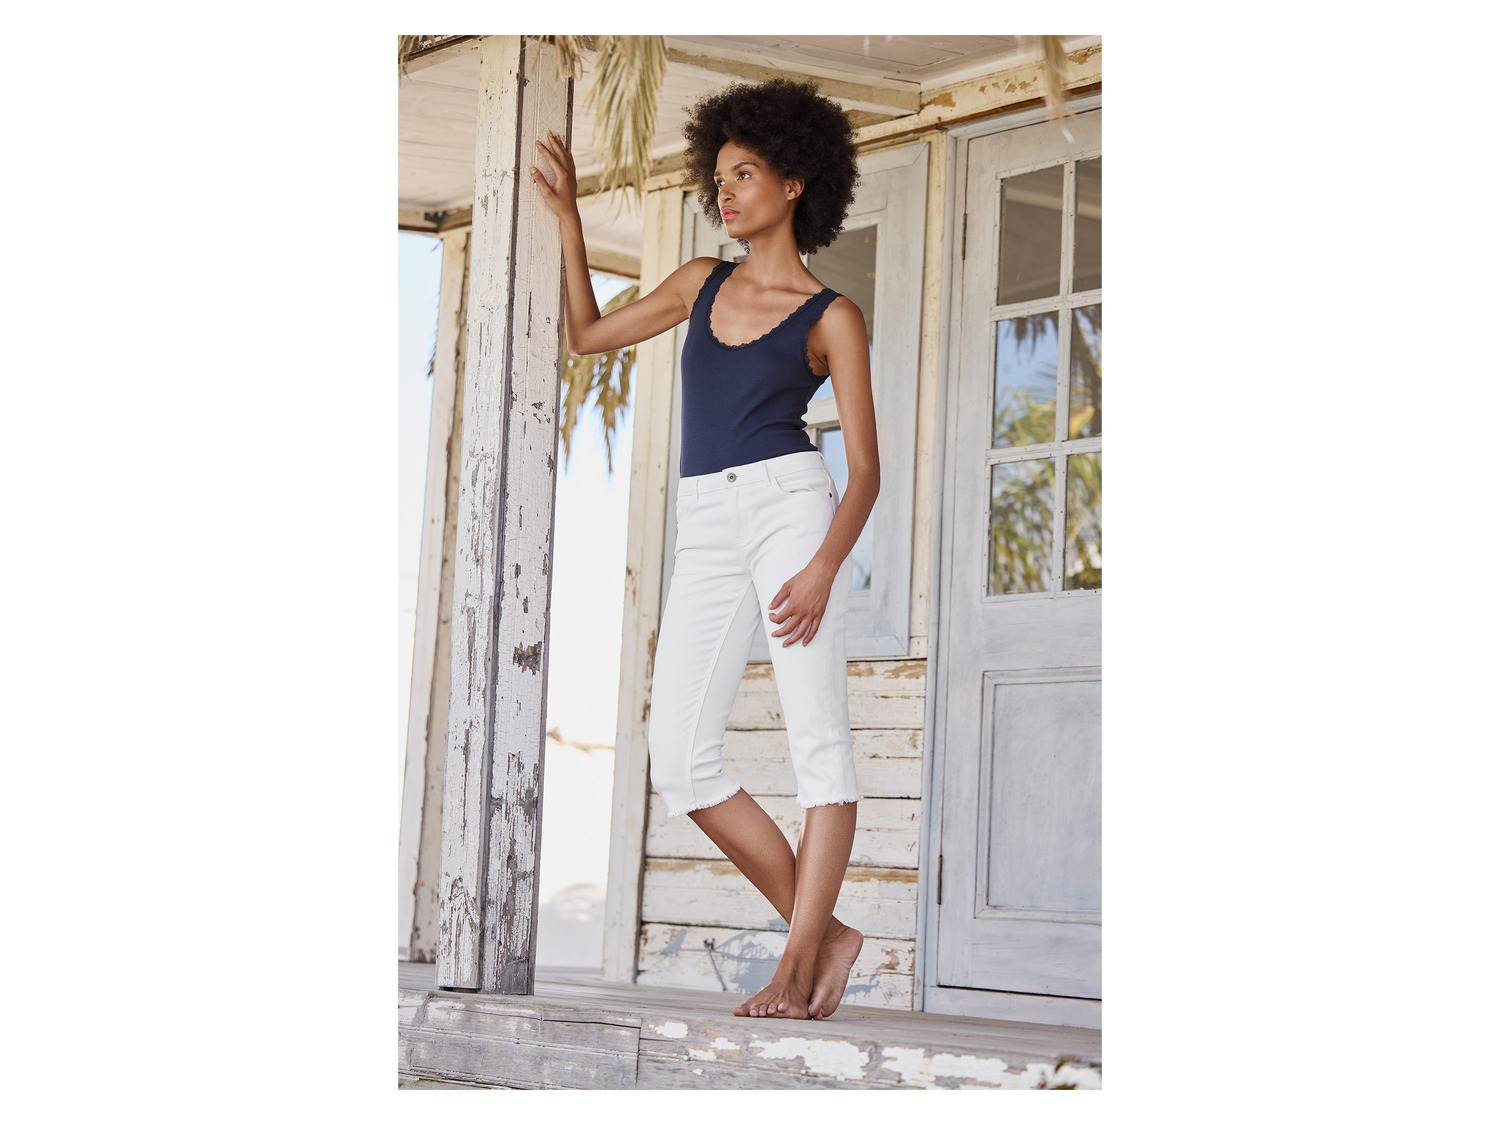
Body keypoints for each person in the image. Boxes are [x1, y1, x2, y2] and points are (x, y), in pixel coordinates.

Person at [530, 79, 879, 1021]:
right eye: (718, 176)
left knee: (817, 738)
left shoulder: (832, 317)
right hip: (708, 519)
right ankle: (829, 935)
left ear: (796, 182)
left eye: (745, 174)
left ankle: (795, 967)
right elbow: (587, 335)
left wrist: (822, 566)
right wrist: (569, 219)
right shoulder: (700, 282)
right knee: (679, 755)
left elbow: (866, 472)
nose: (725, 192)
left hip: (792, 512)